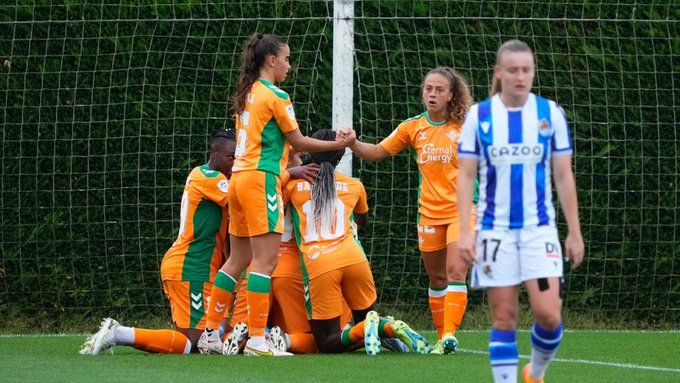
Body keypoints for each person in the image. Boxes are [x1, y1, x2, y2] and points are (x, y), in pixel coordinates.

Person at [197, 32, 354, 356]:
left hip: (239, 179)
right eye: (286, 58)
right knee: (264, 263)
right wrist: (340, 144)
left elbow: (277, 143)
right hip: (262, 180)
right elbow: (298, 142)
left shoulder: (247, 95)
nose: (289, 65)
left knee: (236, 259)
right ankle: (257, 340)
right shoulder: (275, 95)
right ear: (271, 60)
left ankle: (210, 333)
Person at [456, 40, 585, 383]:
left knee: (548, 315)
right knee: (504, 317)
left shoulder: (550, 113)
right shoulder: (479, 116)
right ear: (499, 73)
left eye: (526, 70)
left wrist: (574, 231)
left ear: (533, 72)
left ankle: (535, 373)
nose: (520, 76)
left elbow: (563, 174)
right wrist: (464, 233)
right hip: (494, 232)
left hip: (539, 231)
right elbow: (466, 175)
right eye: (512, 70)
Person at [349, 67, 476, 353]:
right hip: (428, 214)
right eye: (428, 88)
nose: (432, 94)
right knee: (437, 278)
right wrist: (352, 143)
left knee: (456, 271)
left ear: (452, 95)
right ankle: (443, 338)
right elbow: (377, 152)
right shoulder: (413, 127)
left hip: (463, 212)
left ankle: (448, 336)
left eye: (439, 90)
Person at [80, 130, 237, 355]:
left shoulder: (219, 179)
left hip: (204, 270)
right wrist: (283, 175)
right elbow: (244, 196)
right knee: (195, 341)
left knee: (216, 334)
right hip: (190, 267)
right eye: (230, 157)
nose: (234, 163)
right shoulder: (206, 176)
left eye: (237, 158)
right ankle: (118, 333)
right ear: (214, 152)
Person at [283, 129, 429, 356]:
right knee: (364, 322)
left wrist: (291, 168)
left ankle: (382, 328)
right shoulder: (355, 186)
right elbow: (363, 221)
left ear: (312, 150)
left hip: (320, 265)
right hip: (354, 257)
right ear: (341, 157)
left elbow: (268, 190)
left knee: (327, 344)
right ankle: (387, 326)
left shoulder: (293, 186)